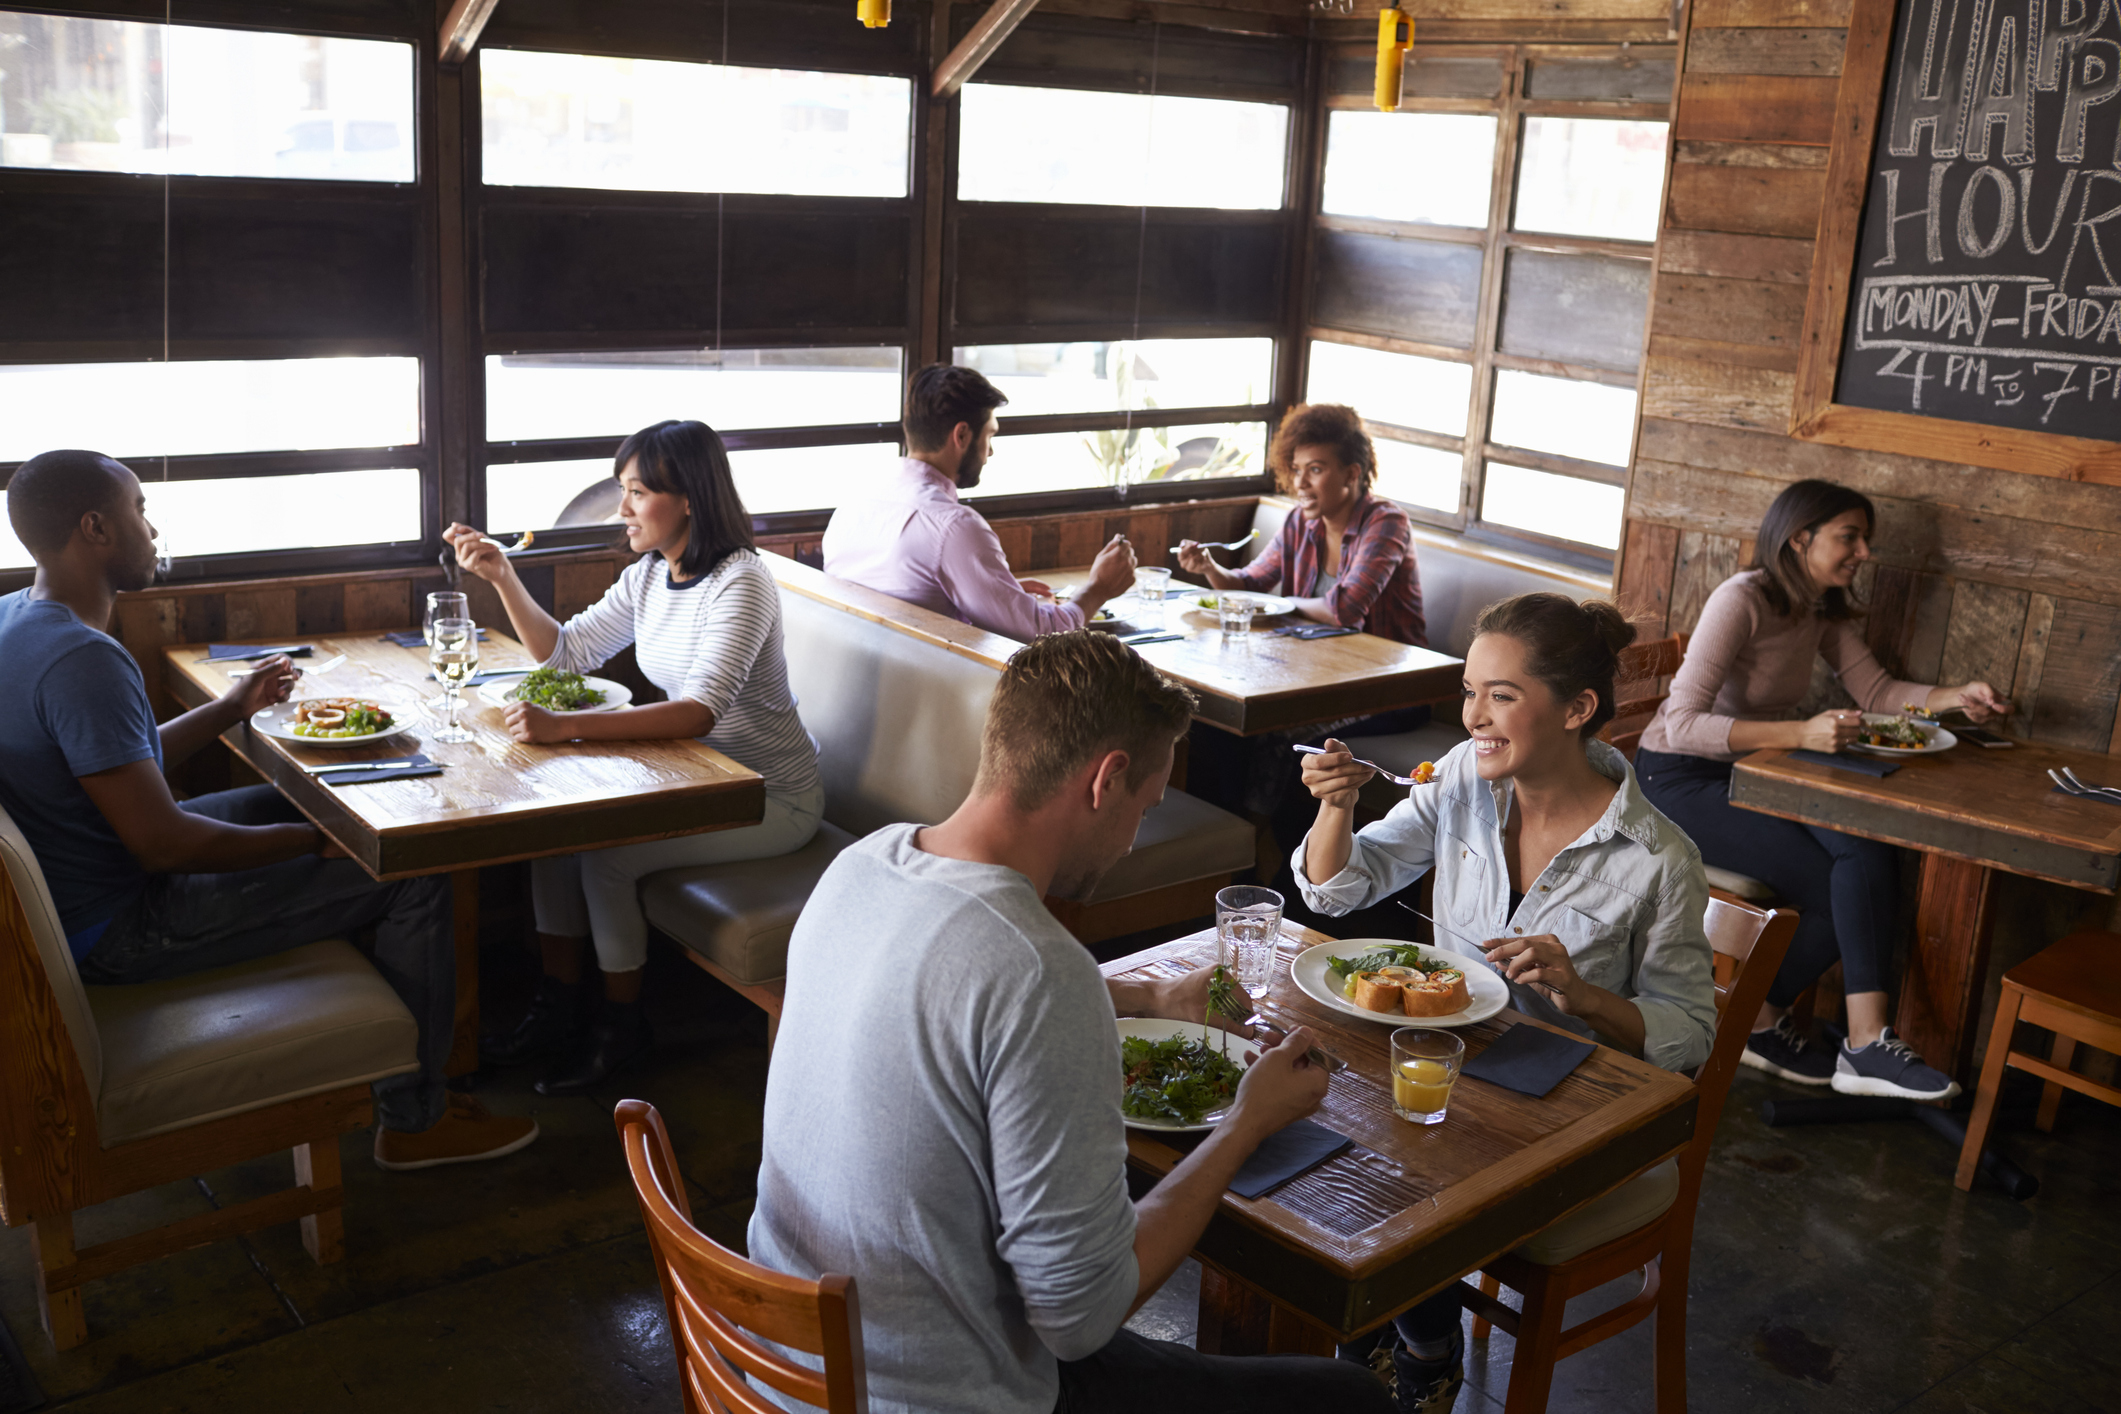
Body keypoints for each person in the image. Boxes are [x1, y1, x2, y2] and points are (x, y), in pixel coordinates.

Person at [749, 631, 1394, 1414]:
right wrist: (1246, 1123)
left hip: (786, 1362)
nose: (1131, 839)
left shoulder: (863, 866)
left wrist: (1151, 1000)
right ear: (1107, 778)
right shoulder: (1035, 965)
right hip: (928, 1393)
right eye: (1144, 808)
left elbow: (958, 990)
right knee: (1351, 1397)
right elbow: (1080, 1320)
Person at [0, 450, 537, 1171]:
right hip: (121, 926)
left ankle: (415, 1084)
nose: (153, 530)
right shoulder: (84, 659)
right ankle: (417, 1121)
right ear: (95, 527)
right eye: (139, 509)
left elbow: (114, 763)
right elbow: (165, 844)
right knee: (411, 867)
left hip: (89, 895)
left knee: (314, 804)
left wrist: (228, 708)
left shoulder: (16, 622)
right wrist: (306, 844)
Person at [1296, 593, 1716, 1410]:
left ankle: (1416, 1338)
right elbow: (1340, 891)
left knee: (1397, 1160)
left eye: (1501, 695)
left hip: (1568, 1107)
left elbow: (1688, 1036)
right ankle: (1381, 1329)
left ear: (1577, 709)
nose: (1473, 718)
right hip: (1457, 1067)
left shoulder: (1660, 859)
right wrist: (1336, 807)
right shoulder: (1459, 781)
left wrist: (1584, 994)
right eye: (1468, 692)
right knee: (1316, 1109)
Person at [447, 420, 824, 1094]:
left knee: (608, 853)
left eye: (637, 492)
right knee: (554, 839)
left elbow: (700, 710)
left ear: (689, 499)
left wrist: (566, 730)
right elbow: (566, 652)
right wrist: (503, 576)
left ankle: (621, 1032)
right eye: (623, 490)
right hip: (693, 779)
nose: (621, 508)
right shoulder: (652, 574)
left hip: (769, 795)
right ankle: (559, 1007)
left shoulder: (741, 583)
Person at [1634, 478, 2008, 1101]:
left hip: (1755, 771)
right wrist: (1802, 731)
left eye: (1866, 538)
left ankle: (1839, 1037)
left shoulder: (1817, 610)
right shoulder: (1742, 598)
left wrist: (1956, 699)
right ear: (1800, 537)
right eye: (1850, 537)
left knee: (1861, 852)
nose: (1863, 551)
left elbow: (1881, 694)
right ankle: (1820, 1036)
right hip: (1674, 777)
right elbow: (1682, 723)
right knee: (1838, 881)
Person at [823, 362, 1139, 640]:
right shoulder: (953, 526)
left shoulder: (854, 502)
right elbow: (1043, 636)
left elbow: (907, 584)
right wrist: (1097, 589)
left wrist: (998, 590)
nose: (990, 452)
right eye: (990, 435)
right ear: (961, 436)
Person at [1176, 402, 1426, 647]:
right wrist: (1209, 567)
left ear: (1351, 474)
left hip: (1393, 673)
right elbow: (1248, 586)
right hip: (1318, 656)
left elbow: (1344, 610)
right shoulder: (1299, 522)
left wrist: (1283, 604)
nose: (1300, 483)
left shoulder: (1387, 523)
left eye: (1315, 469)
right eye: (1296, 470)